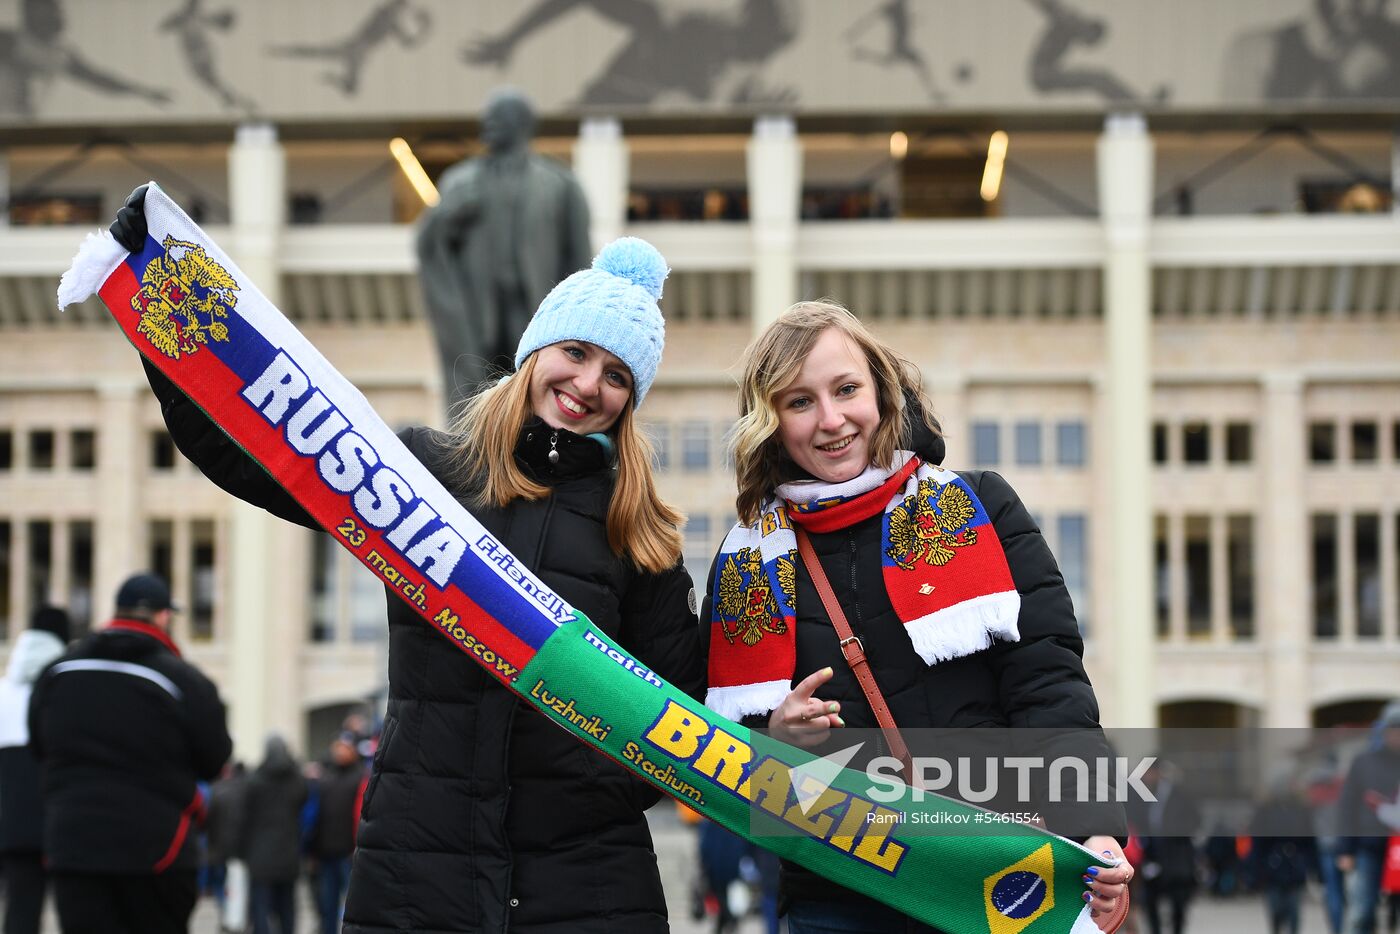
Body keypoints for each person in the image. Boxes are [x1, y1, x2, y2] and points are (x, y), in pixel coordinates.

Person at [108, 188, 704, 933]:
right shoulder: (426, 472)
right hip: (419, 864)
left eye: (617, 376)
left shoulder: (639, 530)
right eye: (576, 353)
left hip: (586, 879)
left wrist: (592, 789)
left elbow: (681, 710)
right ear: (536, 353)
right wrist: (161, 319)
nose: (588, 385)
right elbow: (256, 457)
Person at [701, 300, 1132, 933]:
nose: (831, 420)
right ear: (771, 422)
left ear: (881, 390)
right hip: (836, 896)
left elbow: (1049, 685)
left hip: (993, 876)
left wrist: (1092, 829)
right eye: (800, 402)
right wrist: (774, 739)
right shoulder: (746, 564)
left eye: (846, 389)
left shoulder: (980, 505)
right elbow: (718, 761)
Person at [27, 572, 232, 934]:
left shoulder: (58, 672)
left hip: (74, 844)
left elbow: (39, 746)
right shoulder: (183, 680)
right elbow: (214, 758)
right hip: (157, 850)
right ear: (163, 616)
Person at [414, 88, 591, 412]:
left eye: (498, 118)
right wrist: (447, 215)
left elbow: (580, 259)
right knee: (476, 395)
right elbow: (429, 243)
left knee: (535, 386)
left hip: (536, 306)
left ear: (522, 124)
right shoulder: (460, 182)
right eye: (487, 118)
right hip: (479, 309)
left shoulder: (561, 185)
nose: (489, 125)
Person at [0, 605, 70, 934]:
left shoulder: (4, 689)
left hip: (12, 821)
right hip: (60, 818)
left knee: (20, 910)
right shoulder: (65, 686)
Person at [1337, 704, 1400, 934]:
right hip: (1369, 846)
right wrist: (1346, 849)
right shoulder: (1363, 762)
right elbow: (1348, 807)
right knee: (1362, 910)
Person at [240, 735, 307, 934]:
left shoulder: (254, 780)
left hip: (260, 856)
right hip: (288, 855)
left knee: (260, 909)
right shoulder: (296, 780)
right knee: (287, 909)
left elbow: (244, 817)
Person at [307, 732, 365, 934]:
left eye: (345, 747)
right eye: (338, 746)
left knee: (353, 905)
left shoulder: (360, 778)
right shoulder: (325, 779)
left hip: (349, 854)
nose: (340, 751)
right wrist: (313, 849)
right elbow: (315, 817)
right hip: (326, 853)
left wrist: (357, 845)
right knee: (327, 906)